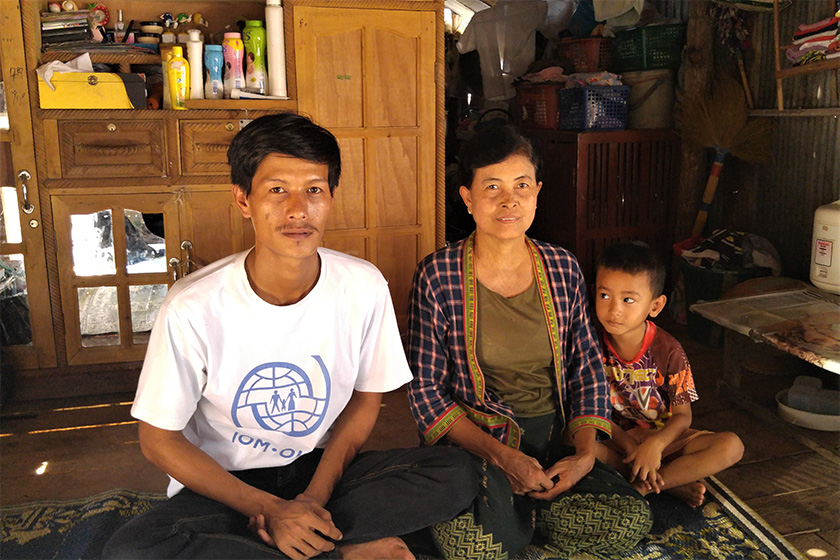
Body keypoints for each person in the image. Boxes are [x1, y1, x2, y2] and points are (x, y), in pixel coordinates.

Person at [102, 113, 478, 560]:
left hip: (321, 475)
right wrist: (268, 508)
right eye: (277, 190)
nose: (298, 210)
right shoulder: (191, 307)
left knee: (455, 472)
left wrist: (313, 499)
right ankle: (341, 547)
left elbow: (365, 402)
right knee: (134, 550)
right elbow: (158, 438)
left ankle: (299, 538)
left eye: (314, 190)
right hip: (227, 487)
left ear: (331, 197)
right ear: (243, 200)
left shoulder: (363, 286)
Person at [406, 123, 653, 560]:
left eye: (522, 185)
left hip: (552, 439)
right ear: (467, 197)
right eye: (492, 187)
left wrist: (582, 456)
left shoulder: (562, 267)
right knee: (470, 547)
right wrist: (503, 458)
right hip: (480, 444)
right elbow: (426, 394)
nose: (509, 200)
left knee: (629, 520)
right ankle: (516, 518)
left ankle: (521, 520)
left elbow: (587, 369)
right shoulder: (438, 275)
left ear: (537, 191)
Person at [593, 241, 744, 507]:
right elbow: (590, 410)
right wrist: (631, 447)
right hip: (616, 440)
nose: (614, 309)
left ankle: (642, 486)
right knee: (575, 440)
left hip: (663, 442)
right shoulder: (590, 343)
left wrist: (655, 446)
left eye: (628, 300)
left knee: (732, 446)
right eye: (605, 296)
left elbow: (683, 416)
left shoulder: (669, 350)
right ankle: (670, 484)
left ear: (655, 305)